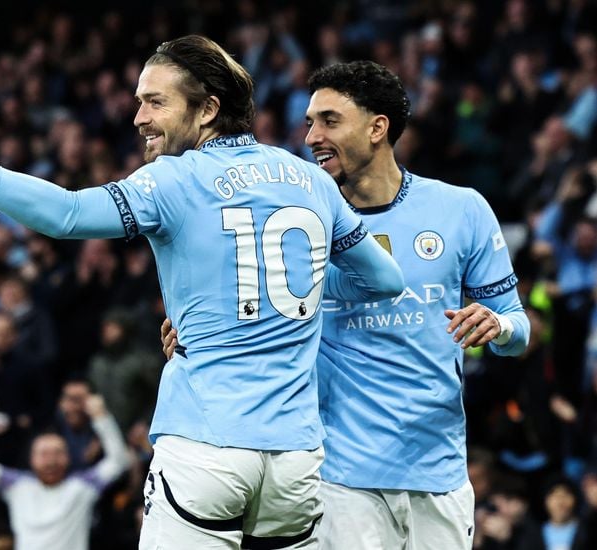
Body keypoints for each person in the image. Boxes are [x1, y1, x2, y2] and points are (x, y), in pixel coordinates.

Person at [0, 35, 404, 548]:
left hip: (207, 448)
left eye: (155, 102)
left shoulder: (174, 179)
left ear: (207, 110)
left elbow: (65, 214)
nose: (138, 117)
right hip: (295, 461)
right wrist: (291, 286)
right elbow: (385, 280)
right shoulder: (309, 179)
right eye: (139, 101)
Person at [159, 60, 532, 549]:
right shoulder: (294, 219)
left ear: (378, 128)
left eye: (330, 121)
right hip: (336, 475)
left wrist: (498, 327)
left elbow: (518, 332)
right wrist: (201, 339)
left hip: (438, 468)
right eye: (310, 122)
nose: (311, 136)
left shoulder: (461, 209)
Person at [0, 391, 129, 550]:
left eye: (58, 453)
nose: (51, 461)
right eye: (44, 454)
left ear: (68, 458)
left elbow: (118, 461)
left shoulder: (82, 486)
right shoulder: (17, 486)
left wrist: (102, 417)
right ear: (31, 459)